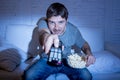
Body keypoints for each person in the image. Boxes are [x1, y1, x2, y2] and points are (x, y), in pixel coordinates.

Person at [24, 2, 96, 80]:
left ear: (66, 20)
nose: (56, 28)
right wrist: (48, 37)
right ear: (47, 20)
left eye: (61, 22)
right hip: (47, 60)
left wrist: (89, 53)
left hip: (67, 61)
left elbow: (84, 44)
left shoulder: (73, 30)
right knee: (29, 76)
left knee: (86, 76)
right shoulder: (43, 22)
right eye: (52, 22)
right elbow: (43, 33)